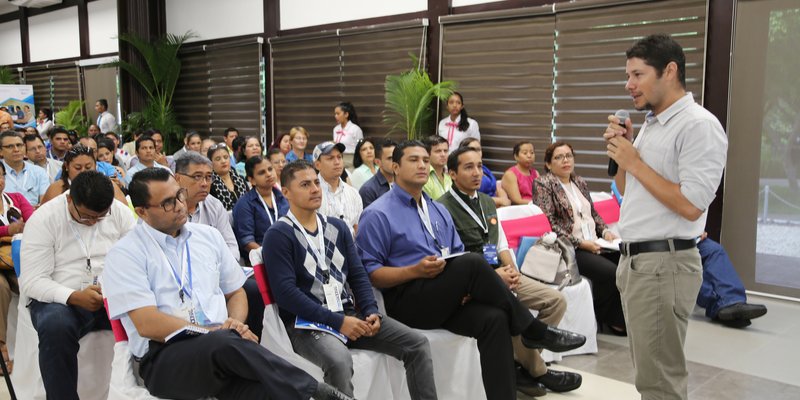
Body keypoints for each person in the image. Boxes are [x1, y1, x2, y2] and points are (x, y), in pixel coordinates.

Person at [355, 140, 586, 400]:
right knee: (473, 262)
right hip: (407, 301)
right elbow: (371, 274)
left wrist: (464, 288)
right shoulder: (377, 214)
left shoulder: (437, 210)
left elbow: (455, 254)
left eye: (424, 160)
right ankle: (531, 329)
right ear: (395, 167)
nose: (422, 165)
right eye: (413, 160)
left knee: (495, 319)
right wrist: (415, 271)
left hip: (444, 295)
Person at [102, 168, 353, 400]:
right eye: (168, 203)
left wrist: (234, 321)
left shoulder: (207, 237)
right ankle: (317, 391)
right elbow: (147, 324)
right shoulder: (126, 254)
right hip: (166, 359)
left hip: (223, 352)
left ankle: (307, 392)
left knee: (271, 392)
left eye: (179, 195)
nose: (180, 206)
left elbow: (236, 292)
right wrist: (213, 332)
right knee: (222, 343)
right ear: (142, 211)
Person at [604, 34, 727, 400]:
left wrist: (635, 162)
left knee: (661, 383)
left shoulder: (698, 126)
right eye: (628, 76)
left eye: (638, 75)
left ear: (670, 71)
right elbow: (631, 192)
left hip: (664, 264)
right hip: (638, 263)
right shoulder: (653, 124)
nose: (629, 85)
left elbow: (691, 205)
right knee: (650, 376)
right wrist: (624, 155)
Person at [265, 160, 437, 398]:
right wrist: (337, 322)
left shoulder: (337, 227)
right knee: (339, 362)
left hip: (349, 315)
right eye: (305, 185)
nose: (315, 189)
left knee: (417, 344)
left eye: (316, 182)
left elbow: (358, 275)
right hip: (307, 324)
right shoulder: (279, 234)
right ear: (286, 192)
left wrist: (370, 310)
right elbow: (285, 294)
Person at [437, 147, 581, 396]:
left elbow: (500, 242)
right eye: (468, 167)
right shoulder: (443, 208)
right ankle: (538, 371)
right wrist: (496, 276)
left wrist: (511, 269)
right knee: (509, 308)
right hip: (475, 280)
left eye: (480, 166)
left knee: (556, 300)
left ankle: (522, 364)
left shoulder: (485, 201)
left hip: (502, 271)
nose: (477, 173)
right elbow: (452, 256)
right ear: (452, 173)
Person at [20, 171, 136, 398]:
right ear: (70, 200)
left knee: (150, 314)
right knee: (56, 327)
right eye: (85, 217)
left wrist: (113, 289)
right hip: (59, 298)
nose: (93, 222)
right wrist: (74, 296)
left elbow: (136, 262)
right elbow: (33, 281)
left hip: (111, 294)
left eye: (100, 217)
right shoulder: (45, 219)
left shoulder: (119, 213)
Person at [609, 182, 768, 328]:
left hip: (683, 234)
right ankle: (723, 305)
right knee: (688, 264)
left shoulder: (662, 179)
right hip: (659, 241)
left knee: (714, 250)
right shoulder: (623, 183)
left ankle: (733, 300)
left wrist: (695, 230)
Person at [533, 142, 626, 334]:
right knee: (610, 273)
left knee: (627, 262)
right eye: (559, 157)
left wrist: (606, 232)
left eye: (569, 155)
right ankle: (610, 318)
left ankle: (625, 314)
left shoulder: (579, 182)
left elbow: (593, 214)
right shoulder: (544, 183)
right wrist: (581, 243)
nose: (565, 160)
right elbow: (549, 223)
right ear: (549, 164)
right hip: (570, 248)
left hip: (595, 241)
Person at [0, 161, 34, 375]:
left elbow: (33, 222)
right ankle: (2, 348)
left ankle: (34, 346)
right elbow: (16, 228)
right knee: (0, 288)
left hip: (14, 258)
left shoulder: (17, 199)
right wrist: (7, 230)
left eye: (1, 175)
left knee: (29, 285)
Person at [232, 156, 288, 261]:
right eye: (262, 173)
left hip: (287, 253)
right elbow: (247, 242)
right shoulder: (244, 204)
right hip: (262, 260)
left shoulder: (283, 197)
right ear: (252, 180)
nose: (268, 174)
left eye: (270, 169)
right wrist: (273, 256)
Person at [41, 144, 128, 205]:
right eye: (78, 168)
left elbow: (124, 214)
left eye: (88, 167)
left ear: (95, 165)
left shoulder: (109, 185)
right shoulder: (56, 189)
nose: (83, 171)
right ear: (67, 166)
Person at [313, 142, 363, 236]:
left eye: (339, 157)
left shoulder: (353, 193)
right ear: (317, 165)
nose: (337, 162)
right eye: (330, 158)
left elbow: (358, 227)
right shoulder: (311, 193)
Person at [1, 131, 50, 207]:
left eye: (19, 145)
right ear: (1, 151)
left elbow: (45, 203)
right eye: (10, 146)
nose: (16, 149)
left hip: (35, 216)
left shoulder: (39, 172)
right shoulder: (1, 172)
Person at [459, 137, 511, 208]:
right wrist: (500, 201)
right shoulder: (464, 172)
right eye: (473, 149)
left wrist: (504, 201)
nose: (477, 152)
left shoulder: (485, 169)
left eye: (479, 149)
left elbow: (498, 188)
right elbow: (472, 198)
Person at [208, 143, 248, 211]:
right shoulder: (210, 184)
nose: (223, 161)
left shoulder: (240, 179)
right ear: (211, 163)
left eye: (226, 157)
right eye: (218, 159)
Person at [358, 138, 396, 209]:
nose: (395, 161)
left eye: (396, 157)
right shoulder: (368, 190)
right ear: (378, 162)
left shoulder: (404, 184)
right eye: (390, 158)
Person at [501, 141, 539, 205]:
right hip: (521, 210)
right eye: (525, 153)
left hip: (536, 208)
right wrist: (536, 204)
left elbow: (541, 195)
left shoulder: (536, 173)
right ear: (516, 156)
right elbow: (516, 200)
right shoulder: (510, 174)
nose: (529, 156)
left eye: (532, 153)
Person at [332, 102, 363, 170]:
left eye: (338, 113)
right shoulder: (336, 129)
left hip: (351, 162)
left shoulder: (356, 129)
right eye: (335, 114)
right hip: (338, 160)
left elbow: (360, 147)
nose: (335, 116)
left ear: (346, 114)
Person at [421, 135, 452, 200]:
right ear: (427, 154)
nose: (443, 154)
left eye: (445, 151)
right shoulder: (422, 176)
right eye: (438, 151)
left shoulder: (450, 177)